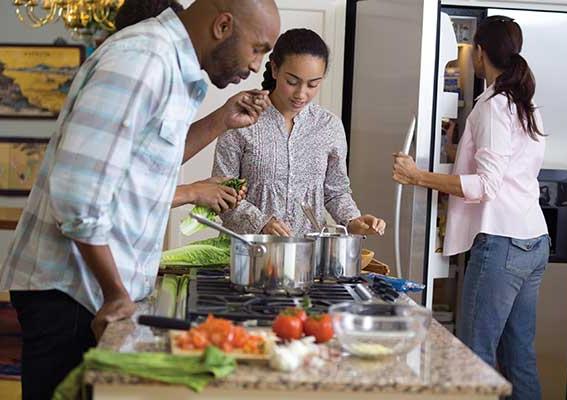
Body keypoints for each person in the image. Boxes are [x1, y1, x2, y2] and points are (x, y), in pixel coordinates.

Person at [0, 1, 280, 399]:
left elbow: (149, 162)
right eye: (258, 49)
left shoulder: (168, 65)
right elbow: (77, 194)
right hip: (74, 291)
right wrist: (115, 292)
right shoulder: (142, 60)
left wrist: (221, 120)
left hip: (90, 291)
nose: (256, 66)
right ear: (222, 25)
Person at [392, 16, 548, 400]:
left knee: (473, 356)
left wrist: (418, 177)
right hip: (533, 240)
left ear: (479, 53)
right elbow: (507, 171)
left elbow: (488, 186)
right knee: (518, 357)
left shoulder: (494, 107)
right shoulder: (525, 104)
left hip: (504, 244)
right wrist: (454, 153)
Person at [212, 28, 385, 236]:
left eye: (313, 84)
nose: (301, 94)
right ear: (275, 69)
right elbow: (220, 192)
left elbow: (335, 192)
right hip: (249, 253)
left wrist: (352, 221)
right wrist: (261, 223)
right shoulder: (242, 119)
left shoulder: (329, 126)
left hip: (309, 256)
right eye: (292, 82)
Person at [113, 0, 248, 214]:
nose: (254, 66)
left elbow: (153, 160)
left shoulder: (170, 80)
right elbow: (109, 189)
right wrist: (192, 192)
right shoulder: (133, 73)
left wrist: (224, 118)